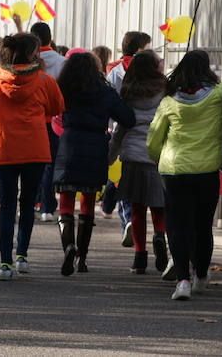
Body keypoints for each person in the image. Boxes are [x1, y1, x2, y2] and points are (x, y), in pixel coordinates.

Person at [147, 24, 222, 301]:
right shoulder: (217, 95)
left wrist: (157, 156)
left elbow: (154, 138)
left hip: (174, 170)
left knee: (177, 225)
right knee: (203, 225)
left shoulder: (169, 102)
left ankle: (182, 278)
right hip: (206, 170)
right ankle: (201, 276)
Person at [0, 32, 64, 280]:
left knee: (7, 206)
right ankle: (22, 255)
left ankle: (4, 263)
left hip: (5, 148)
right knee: (27, 205)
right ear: (32, 54)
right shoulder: (44, 81)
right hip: (35, 149)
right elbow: (57, 108)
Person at [54, 52, 135, 276]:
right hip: (95, 147)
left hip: (69, 143)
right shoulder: (105, 91)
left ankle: (68, 246)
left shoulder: (63, 88)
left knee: (66, 201)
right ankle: (82, 258)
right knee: (88, 202)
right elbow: (128, 118)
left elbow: (49, 109)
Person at [109, 49, 169, 275]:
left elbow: (120, 128)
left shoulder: (128, 91)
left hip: (132, 156)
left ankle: (139, 257)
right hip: (158, 156)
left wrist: (111, 155)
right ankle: (160, 236)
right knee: (159, 206)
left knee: (136, 207)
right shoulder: (166, 91)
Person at [104, 31, 151, 243]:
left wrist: (109, 127)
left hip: (120, 130)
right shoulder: (151, 72)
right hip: (146, 132)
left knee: (123, 179)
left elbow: (108, 100)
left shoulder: (114, 72)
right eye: (147, 46)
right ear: (138, 48)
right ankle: (142, 225)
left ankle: (128, 221)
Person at [31, 21, 66, 221]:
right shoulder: (61, 61)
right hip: (53, 119)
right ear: (50, 38)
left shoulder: (26, 61)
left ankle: (31, 201)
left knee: (30, 162)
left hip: (29, 119)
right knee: (50, 162)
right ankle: (47, 206)